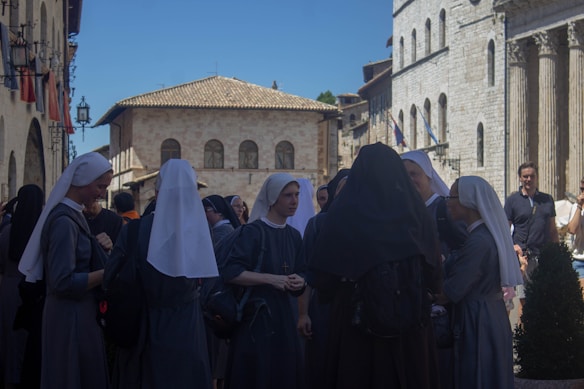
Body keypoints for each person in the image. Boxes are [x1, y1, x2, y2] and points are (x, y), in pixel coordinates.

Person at [310, 143, 441, 389]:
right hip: (409, 323)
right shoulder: (415, 212)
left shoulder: (345, 212)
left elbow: (323, 276)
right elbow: (434, 269)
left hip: (356, 325)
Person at [106, 159, 217, 389]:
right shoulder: (200, 232)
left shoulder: (135, 230)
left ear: (157, 192)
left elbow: (110, 278)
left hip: (146, 325)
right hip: (188, 327)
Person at [18, 152, 113, 389]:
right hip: (69, 315)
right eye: (99, 186)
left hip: (75, 313)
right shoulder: (63, 221)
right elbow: (62, 281)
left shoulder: (72, 215)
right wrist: (106, 273)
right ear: (83, 181)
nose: (101, 194)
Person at [221, 173, 306, 389]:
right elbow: (230, 272)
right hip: (256, 323)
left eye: (296, 195)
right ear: (273, 198)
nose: (294, 201)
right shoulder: (253, 232)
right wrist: (271, 279)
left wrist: (300, 282)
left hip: (285, 320)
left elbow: (302, 273)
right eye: (288, 195)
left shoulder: (295, 236)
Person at [437, 176, 523, 388]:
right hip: (488, 313)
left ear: (469, 201)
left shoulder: (479, 241)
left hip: (479, 319)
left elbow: (454, 289)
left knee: (478, 375)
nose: (447, 201)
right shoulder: (481, 236)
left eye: (452, 196)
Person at [297, 169, 349, 389]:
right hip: (324, 307)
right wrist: (303, 313)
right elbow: (306, 272)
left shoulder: (372, 225)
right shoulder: (318, 224)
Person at [0, 185, 43, 389]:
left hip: (8, 289)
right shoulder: (41, 234)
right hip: (32, 291)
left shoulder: (7, 231)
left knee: (9, 341)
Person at [505, 161, 559, 318]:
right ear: (520, 178)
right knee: (525, 302)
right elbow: (505, 230)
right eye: (525, 176)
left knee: (544, 299)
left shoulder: (547, 200)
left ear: (537, 177)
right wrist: (511, 252)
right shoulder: (512, 201)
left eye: (532, 176)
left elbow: (552, 230)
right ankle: (525, 340)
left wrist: (557, 254)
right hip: (523, 258)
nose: (529, 179)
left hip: (543, 256)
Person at [566, 175, 584, 294]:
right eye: (582, 189)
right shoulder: (575, 208)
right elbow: (572, 229)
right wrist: (579, 206)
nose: (583, 193)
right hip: (579, 260)